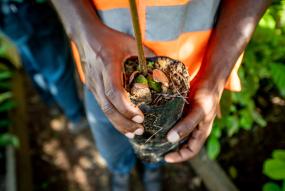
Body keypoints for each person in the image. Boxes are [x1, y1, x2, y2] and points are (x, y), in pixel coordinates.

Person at [51, 0, 272, 190]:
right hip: (103, 70)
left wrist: (214, 76)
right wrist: (81, 27)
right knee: (110, 135)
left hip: (191, 74)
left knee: (163, 139)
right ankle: (120, 170)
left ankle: (152, 167)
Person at [0, 0, 87, 132]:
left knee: (33, 61)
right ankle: (76, 116)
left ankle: (52, 103)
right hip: (28, 11)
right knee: (58, 69)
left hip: (8, 19)